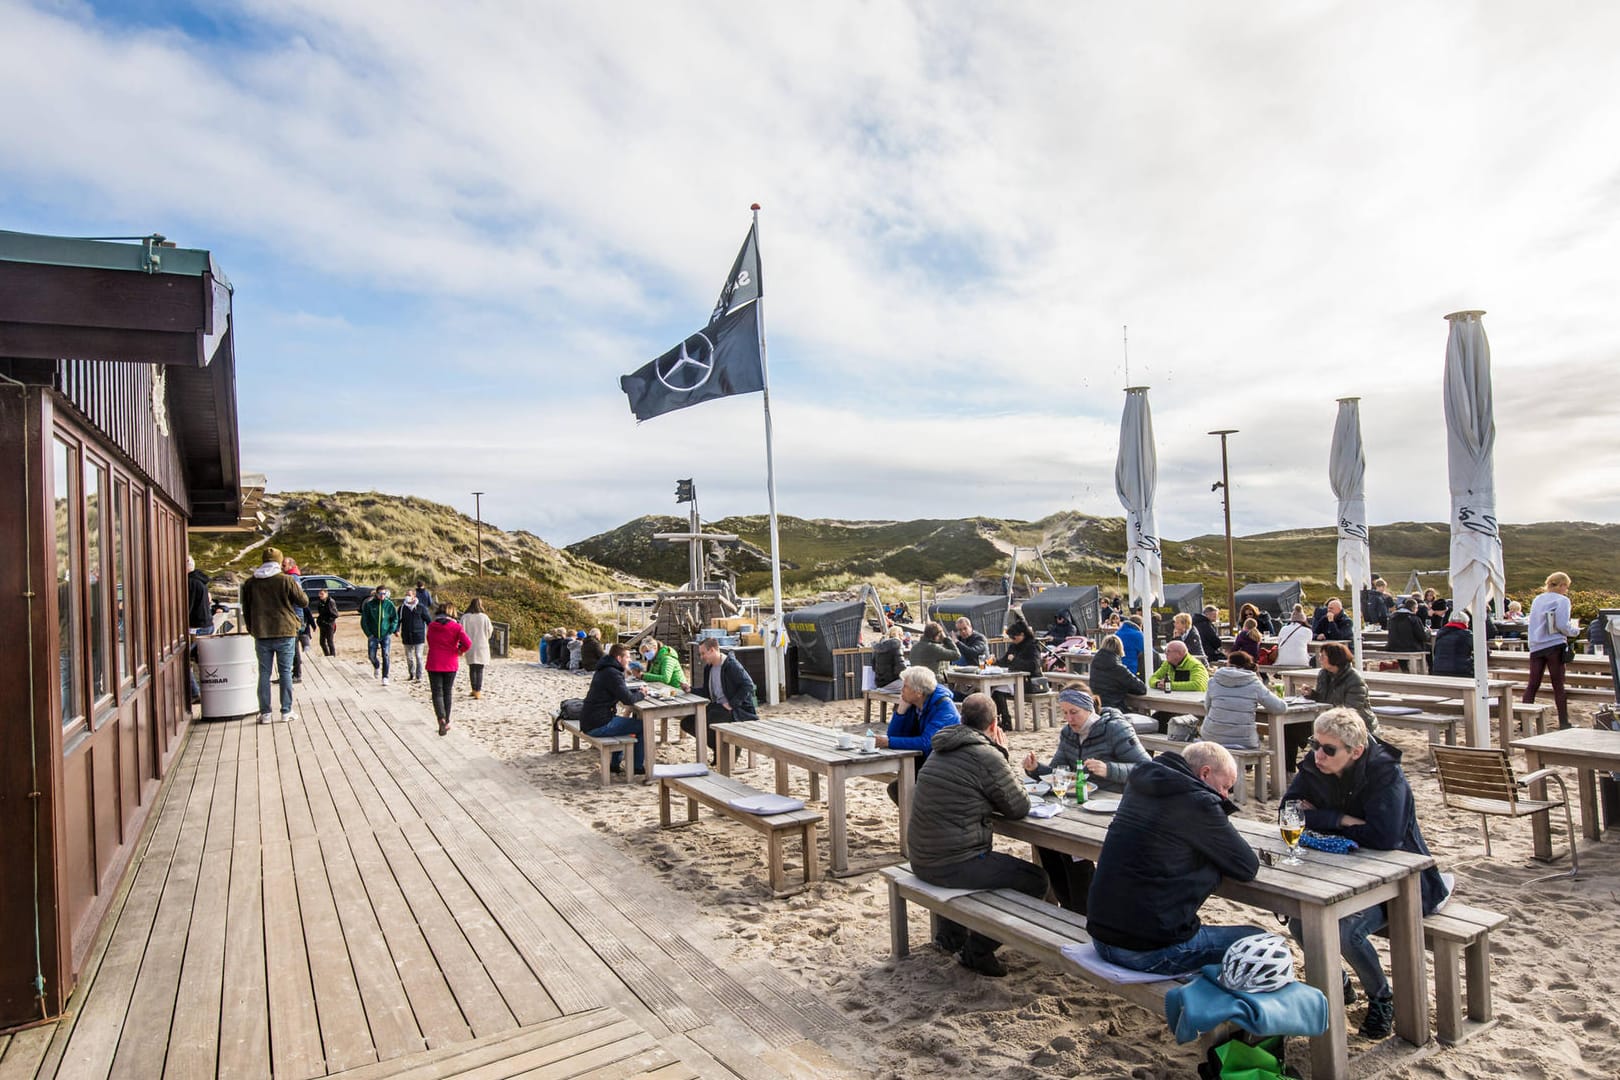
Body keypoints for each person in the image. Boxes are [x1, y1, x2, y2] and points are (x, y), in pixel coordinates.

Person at [1282, 708, 1451, 1039]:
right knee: (1300, 921)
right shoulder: (1315, 765)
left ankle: (1381, 997)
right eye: (1315, 744)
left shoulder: (1386, 773)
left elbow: (1386, 837)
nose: (1318, 754)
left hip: (1403, 884)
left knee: (1345, 931)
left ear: (1355, 751)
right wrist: (1343, 820)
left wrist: (1323, 818)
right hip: (1342, 874)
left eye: (1328, 749)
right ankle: (1339, 981)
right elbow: (1288, 812)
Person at [1086, 742, 1263, 974]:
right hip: (1145, 951)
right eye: (1225, 787)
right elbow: (1247, 866)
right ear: (1205, 773)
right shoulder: (1198, 801)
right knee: (1260, 941)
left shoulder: (1140, 786)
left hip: (1100, 937)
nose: (1225, 795)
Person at [906, 693, 1046, 977]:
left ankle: (951, 936)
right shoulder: (986, 755)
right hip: (951, 864)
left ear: (962, 720)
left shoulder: (941, 747)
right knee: (1036, 880)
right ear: (994, 725)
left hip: (921, 857)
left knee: (972, 855)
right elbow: (1018, 807)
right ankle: (977, 951)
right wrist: (1002, 754)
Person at [1021, 688, 1150, 913]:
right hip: (1079, 803)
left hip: (1114, 806)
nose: (1069, 719)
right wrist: (1036, 769)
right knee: (1048, 844)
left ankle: (1083, 910)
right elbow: (1058, 770)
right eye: (1065, 713)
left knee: (1072, 851)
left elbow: (1148, 768)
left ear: (1089, 709)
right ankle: (1070, 907)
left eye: (1074, 712)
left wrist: (1109, 769)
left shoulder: (1115, 729)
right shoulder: (1068, 733)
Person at [238, 547, 309, 725]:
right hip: (285, 630)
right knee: (285, 671)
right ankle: (286, 711)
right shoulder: (285, 580)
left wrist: (252, 627)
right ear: (279, 561)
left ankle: (265, 713)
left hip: (261, 632)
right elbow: (304, 601)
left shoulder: (250, 583)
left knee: (264, 673)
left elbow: (246, 608)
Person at [874, 666, 959, 802]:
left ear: (918, 692)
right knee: (897, 789)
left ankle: (921, 820)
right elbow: (895, 734)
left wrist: (889, 742)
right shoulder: (913, 704)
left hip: (945, 766)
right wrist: (901, 711)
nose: (901, 689)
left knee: (900, 789)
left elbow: (926, 742)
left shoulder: (944, 707)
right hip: (925, 762)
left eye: (905, 686)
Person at [1299, 643, 1377, 765]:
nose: (1320, 659)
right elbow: (1323, 699)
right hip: (1329, 720)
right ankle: (1288, 770)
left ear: (1334, 658)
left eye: (1323, 656)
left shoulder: (1354, 679)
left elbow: (1351, 712)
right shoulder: (1324, 674)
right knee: (1290, 729)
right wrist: (1312, 694)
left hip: (1354, 724)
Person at [581, 643, 647, 775]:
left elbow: (620, 691)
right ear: (618, 658)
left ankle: (615, 764)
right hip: (598, 724)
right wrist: (642, 694)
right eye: (627, 657)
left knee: (625, 724)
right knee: (642, 726)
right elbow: (628, 700)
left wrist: (634, 691)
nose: (629, 660)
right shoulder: (613, 673)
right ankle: (637, 767)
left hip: (590, 720)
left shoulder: (604, 669)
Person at [1525, 571, 1579, 729]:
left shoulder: (1537, 599)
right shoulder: (1562, 600)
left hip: (1536, 644)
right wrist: (1575, 631)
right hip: (1554, 644)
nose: (1566, 590)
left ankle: (1524, 721)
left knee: (1533, 684)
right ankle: (1563, 722)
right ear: (1562, 585)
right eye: (1566, 587)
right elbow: (1562, 625)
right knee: (1558, 684)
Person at [686, 637, 758, 753]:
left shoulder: (731, 665)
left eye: (703, 653)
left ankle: (731, 751)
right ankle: (718, 749)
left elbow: (748, 685)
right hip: (718, 705)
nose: (701, 657)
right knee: (688, 722)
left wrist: (732, 704)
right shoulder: (708, 668)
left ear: (713, 650)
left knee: (709, 720)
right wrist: (691, 690)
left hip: (738, 710)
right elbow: (706, 692)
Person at [1202, 651, 1285, 749]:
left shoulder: (1213, 681)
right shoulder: (1254, 683)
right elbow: (1279, 708)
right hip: (1243, 740)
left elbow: (1207, 707)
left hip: (1212, 737)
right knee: (1256, 744)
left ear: (1228, 663)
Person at [425, 603, 472, 735]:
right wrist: (459, 651)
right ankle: (447, 720)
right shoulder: (456, 627)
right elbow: (468, 643)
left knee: (437, 692)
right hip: (450, 662)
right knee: (447, 692)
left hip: (434, 662)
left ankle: (441, 719)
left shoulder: (432, 626)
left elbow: (429, 640)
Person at [991, 621, 1042, 727]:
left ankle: (1006, 720)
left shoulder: (1033, 645)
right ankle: (1001, 718)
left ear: (1022, 634)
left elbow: (1034, 666)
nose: (1012, 640)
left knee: (998, 691)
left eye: (1013, 637)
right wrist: (995, 662)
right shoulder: (1013, 646)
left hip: (1029, 681)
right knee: (994, 690)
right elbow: (1004, 661)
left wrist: (1015, 660)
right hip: (1013, 680)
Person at [1088, 632, 1148, 710]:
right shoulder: (1118, 668)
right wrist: (1126, 687)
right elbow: (1142, 689)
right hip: (1114, 708)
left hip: (1097, 708)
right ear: (1120, 649)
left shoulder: (1094, 665)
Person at [1384, 596, 1431, 672]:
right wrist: (1428, 632)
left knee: (1400, 645)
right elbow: (1422, 636)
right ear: (1413, 608)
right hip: (1410, 647)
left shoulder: (1392, 618)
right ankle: (1430, 670)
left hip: (1393, 646)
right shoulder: (1413, 618)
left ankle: (1404, 669)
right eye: (1416, 608)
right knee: (1429, 648)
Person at [460, 598, 493, 699]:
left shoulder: (465, 617)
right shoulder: (484, 617)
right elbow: (489, 631)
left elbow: (461, 630)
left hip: (469, 645)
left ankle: (474, 688)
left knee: (472, 668)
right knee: (479, 669)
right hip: (482, 645)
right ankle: (478, 690)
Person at [397, 587, 433, 682]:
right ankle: (411, 674)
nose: (407, 597)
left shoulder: (421, 607)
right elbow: (398, 621)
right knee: (409, 657)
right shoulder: (402, 608)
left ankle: (419, 675)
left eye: (409, 595)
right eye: (406, 595)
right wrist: (396, 630)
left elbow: (428, 620)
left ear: (414, 596)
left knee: (418, 656)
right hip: (406, 635)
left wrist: (433, 630)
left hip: (419, 635)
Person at [1430, 609, 1474, 677]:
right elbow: (1484, 652)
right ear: (1465, 622)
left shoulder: (1441, 633)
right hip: (1460, 672)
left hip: (1438, 670)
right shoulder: (1467, 634)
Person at [872, 626, 905, 691]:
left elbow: (873, 667)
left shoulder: (878, 647)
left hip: (879, 683)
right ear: (899, 635)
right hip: (892, 682)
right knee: (914, 686)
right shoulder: (896, 645)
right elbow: (900, 668)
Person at [312, 587, 340, 657]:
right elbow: (320, 613)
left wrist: (329, 620)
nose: (320, 595)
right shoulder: (320, 602)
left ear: (326, 594)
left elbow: (335, 614)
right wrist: (319, 621)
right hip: (322, 624)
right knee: (322, 642)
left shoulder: (330, 601)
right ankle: (327, 655)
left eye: (322, 594)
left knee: (329, 641)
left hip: (329, 624)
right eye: (319, 594)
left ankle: (333, 656)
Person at [1116, 615, 1146, 679]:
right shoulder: (1137, 635)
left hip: (1117, 667)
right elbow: (1147, 650)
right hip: (1131, 669)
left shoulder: (1117, 633)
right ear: (1140, 625)